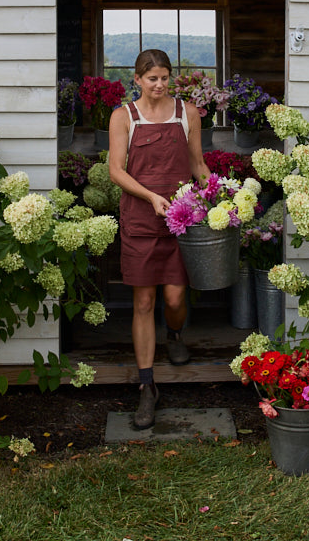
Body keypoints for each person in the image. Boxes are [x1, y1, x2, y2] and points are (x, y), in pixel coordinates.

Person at [108, 49, 210, 429]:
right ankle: (147, 386)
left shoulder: (188, 114)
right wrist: (151, 197)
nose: (159, 84)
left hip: (181, 219)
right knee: (144, 300)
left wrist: (219, 199)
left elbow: (198, 163)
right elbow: (116, 170)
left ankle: (176, 332)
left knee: (175, 297)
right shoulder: (124, 117)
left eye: (165, 78)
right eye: (152, 79)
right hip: (140, 219)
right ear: (137, 80)